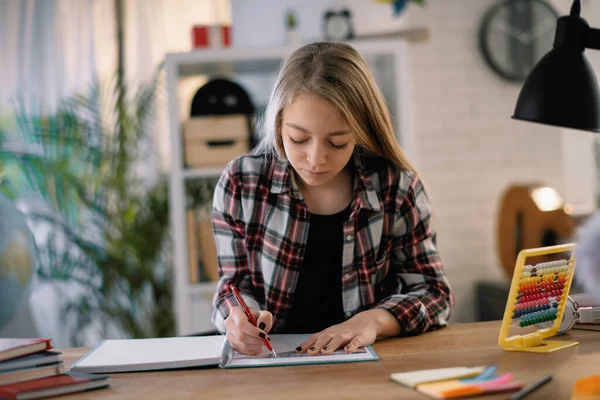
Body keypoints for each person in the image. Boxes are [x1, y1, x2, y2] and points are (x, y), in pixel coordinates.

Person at [211, 42, 454, 356]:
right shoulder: (241, 184)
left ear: (362, 131)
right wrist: (238, 319)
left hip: (368, 365)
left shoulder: (396, 187)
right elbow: (231, 287)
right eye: (299, 138)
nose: (315, 159)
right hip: (270, 365)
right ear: (278, 123)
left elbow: (435, 294)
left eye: (337, 142)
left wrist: (375, 321)